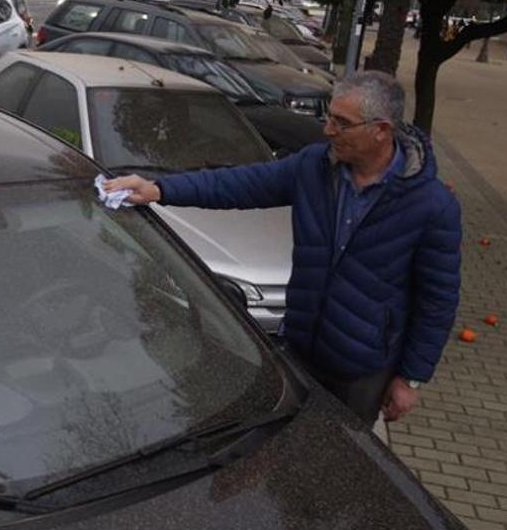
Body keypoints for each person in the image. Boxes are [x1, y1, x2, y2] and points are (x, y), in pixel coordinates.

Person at [104, 71, 462, 426]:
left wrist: (411, 377)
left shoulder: (431, 206)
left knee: (344, 459)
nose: (328, 130)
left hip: (362, 370)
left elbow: (438, 300)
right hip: (300, 349)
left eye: (342, 123)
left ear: (381, 130)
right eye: (330, 118)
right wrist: (159, 190)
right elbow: (237, 185)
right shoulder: (314, 166)